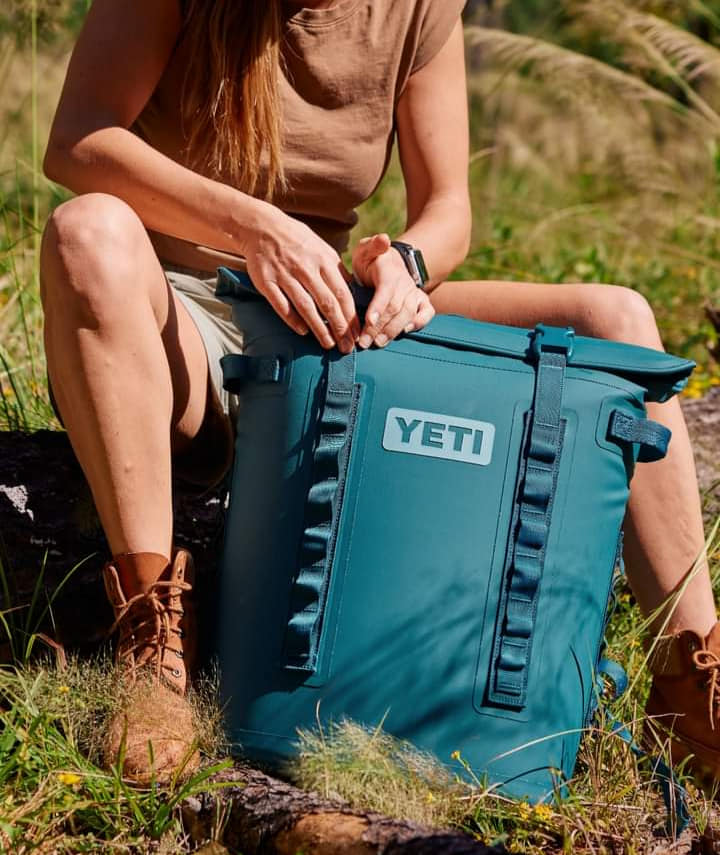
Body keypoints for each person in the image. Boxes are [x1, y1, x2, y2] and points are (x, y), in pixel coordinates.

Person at [40, 0, 719, 786]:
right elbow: (78, 141)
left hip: (327, 312)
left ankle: (690, 677)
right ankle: (151, 627)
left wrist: (407, 261)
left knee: (619, 319)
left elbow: (449, 209)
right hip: (175, 312)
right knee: (87, 231)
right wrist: (254, 230)